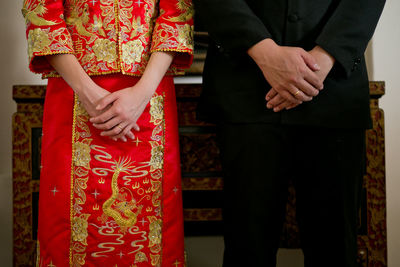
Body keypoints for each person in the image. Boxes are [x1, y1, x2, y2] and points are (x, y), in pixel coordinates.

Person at [194, 0, 385, 266]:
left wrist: (322, 59)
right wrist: (264, 52)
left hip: (334, 91)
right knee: (247, 244)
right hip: (245, 90)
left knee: (335, 245)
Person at [22, 0, 193, 266]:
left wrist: (142, 93)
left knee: (154, 221)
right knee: (67, 222)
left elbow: (178, 14)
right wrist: (88, 93)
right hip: (75, 92)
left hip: (149, 93)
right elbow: (42, 14)